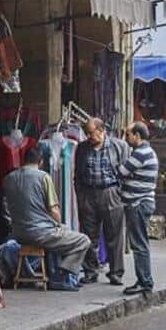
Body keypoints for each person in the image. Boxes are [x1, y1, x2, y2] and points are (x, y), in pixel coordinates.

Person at [2, 143, 91, 287]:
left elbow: (6, 208)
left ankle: (54, 272)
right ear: (41, 162)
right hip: (41, 233)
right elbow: (54, 211)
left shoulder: (9, 178)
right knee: (83, 240)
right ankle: (62, 274)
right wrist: (59, 223)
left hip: (18, 233)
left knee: (58, 234)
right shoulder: (44, 177)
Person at [73, 118, 125, 285]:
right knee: (89, 235)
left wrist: (120, 194)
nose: (88, 136)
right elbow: (78, 175)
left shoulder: (118, 146)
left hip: (110, 192)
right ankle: (91, 271)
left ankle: (116, 272)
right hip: (88, 193)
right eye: (87, 133)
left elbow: (126, 172)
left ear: (102, 131)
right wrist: (80, 195)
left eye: (91, 133)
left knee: (114, 235)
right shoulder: (82, 148)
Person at [118, 121, 159, 296]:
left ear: (137, 136)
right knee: (140, 243)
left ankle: (145, 282)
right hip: (141, 203)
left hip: (138, 204)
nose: (126, 138)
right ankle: (143, 280)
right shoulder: (146, 152)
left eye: (128, 134)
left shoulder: (140, 153)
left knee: (139, 244)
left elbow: (121, 172)